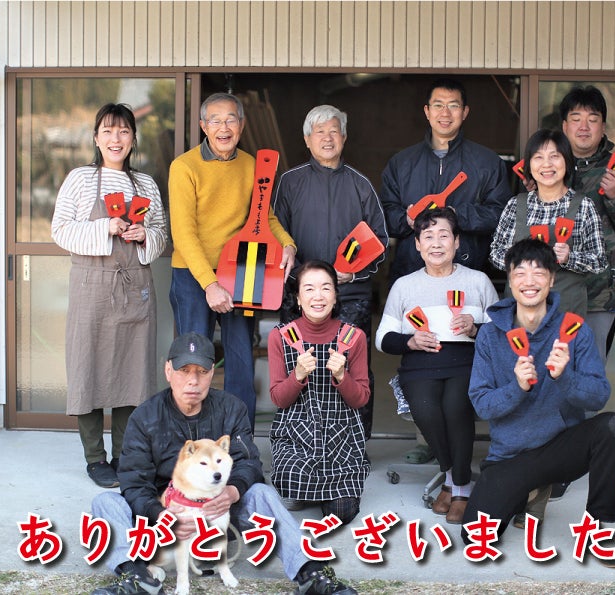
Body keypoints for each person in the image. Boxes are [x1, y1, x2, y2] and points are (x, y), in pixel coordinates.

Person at [90, 332, 358, 595]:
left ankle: (311, 573)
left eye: (201, 371)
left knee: (261, 493)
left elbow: (249, 464)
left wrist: (232, 492)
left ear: (211, 373)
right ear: (168, 371)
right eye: (184, 370)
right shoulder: (145, 416)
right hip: (164, 519)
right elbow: (133, 481)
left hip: (218, 513)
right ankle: (137, 577)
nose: (193, 381)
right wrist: (161, 515)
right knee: (105, 502)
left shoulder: (231, 408)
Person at [461, 238, 615, 568]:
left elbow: (599, 395)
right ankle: (527, 492)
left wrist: (565, 377)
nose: (529, 280)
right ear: (510, 280)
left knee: (611, 427)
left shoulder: (574, 330)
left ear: (552, 279)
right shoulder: (490, 336)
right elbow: (481, 405)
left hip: (559, 449)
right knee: (475, 538)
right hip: (511, 456)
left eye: (539, 272)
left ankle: (599, 532)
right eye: (520, 272)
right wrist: (517, 387)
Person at [51, 103, 167, 489]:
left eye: (123, 131)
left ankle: (123, 455)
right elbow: (60, 230)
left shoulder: (146, 185)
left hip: (136, 287)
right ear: (96, 138)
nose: (116, 139)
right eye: (108, 131)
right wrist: (105, 227)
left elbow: (162, 234)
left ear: (133, 138)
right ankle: (95, 458)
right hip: (92, 286)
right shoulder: (81, 179)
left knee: (131, 372)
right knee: (87, 368)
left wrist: (144, 235)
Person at [168, 92, 297, 429]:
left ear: (241, 124)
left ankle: (240, 440)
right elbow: (183, 234)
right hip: (193, 276)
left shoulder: (253, 166)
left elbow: (266, 218)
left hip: (241, 271)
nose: (223, 128)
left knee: (240, 359)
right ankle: (192, 439)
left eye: (230, 120)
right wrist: (210, 284)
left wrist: (287, 244)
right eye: (215, 120)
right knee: (193, 361)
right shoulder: (184, 167)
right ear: (203, 126)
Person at [376, 208, 499, 524]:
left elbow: (501, 332)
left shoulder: (478, 281)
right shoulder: (404, 285)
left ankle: (458, 488)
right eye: (428, 236)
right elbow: (382, 338)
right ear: (417, 244)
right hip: (420, 363)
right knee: (427, 409)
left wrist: (476, 328)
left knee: (456, 407)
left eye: (444, 235)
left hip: (466, 361)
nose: (436, 243)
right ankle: (456, 479)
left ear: (456, 242)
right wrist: (410, 341)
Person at [272, 105, 388, 438]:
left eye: (334, 131)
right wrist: (293, 266)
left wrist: (352, 275)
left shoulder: (360, 184)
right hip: (299, 297)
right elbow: (276, 234)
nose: (327, 138)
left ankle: (356, 441)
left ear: (344, 137)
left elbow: (380, 241)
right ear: (307, 140)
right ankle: (296, 438)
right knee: (297, 366)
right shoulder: (290, 182)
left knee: (353, 367)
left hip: (350, 295)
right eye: (319, 132)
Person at [380, 77, 511, 286]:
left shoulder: (487, 162)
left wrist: (458, 215)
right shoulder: (401, 163)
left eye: (453, 106)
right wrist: (406, 219)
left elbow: (502, 215)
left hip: (469, 275)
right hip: (411, 276)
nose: (445, 113)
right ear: (427, 111)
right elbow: (382, 215)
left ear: (465, 112)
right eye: (438, 105)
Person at [268, 261, 371, 523]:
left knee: (342, 513)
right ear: (298, 298)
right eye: (309, 289)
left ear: (335, 296)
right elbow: (279, 398)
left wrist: (342, 376)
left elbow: (361, 398)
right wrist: (297, 375)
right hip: (296, 435)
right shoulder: (281, 336)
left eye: (326, 288)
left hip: (341, 438)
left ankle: (323, 490)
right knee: (291, 484)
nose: (318, 296)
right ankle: (305, 488)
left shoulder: (354, 337)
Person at [559, 85, 615, 361]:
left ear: (603, 127)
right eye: (576, 118)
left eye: (592, 119)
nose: (583, 127)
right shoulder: (549, 164)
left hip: (599, 293)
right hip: (552, 288)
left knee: (591, 366)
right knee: (550, 365)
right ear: (564, 126)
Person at [489, 128, 608, 317]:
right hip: (520, 312)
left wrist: (569, 257)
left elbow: (599, 261)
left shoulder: (583, 206)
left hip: (567, 311)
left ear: (567, 162)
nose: (547, 164)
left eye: (555, 156)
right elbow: (495, 253)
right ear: (529, 165)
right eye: (538, 157)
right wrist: (521, 261)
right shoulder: (516, 205)